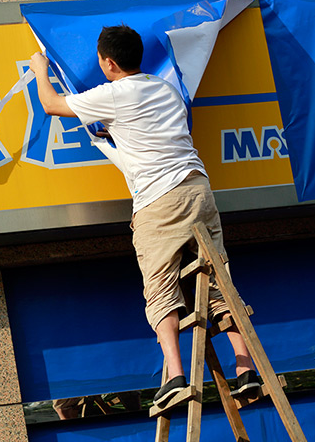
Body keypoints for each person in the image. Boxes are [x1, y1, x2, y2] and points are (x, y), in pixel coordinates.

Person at [29, 24, 260, 406]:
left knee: (160, 287)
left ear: (109, 62)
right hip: (198, 188)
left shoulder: (114, 93)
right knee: (217, 280)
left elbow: (53, 105)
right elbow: (156, 133)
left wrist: (40, 69)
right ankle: (245, 368)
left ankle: (175, 374)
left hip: (159, 200)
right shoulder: (166, 89)